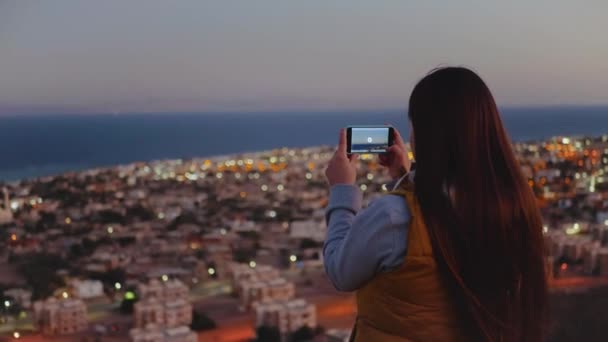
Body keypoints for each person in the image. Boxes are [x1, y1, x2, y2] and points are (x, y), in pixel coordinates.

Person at [324, 67, 548, 341]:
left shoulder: (394, 217)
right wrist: (405, 177)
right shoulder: (514, 206)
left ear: (429, 133)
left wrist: (342, 190)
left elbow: (340, 271)